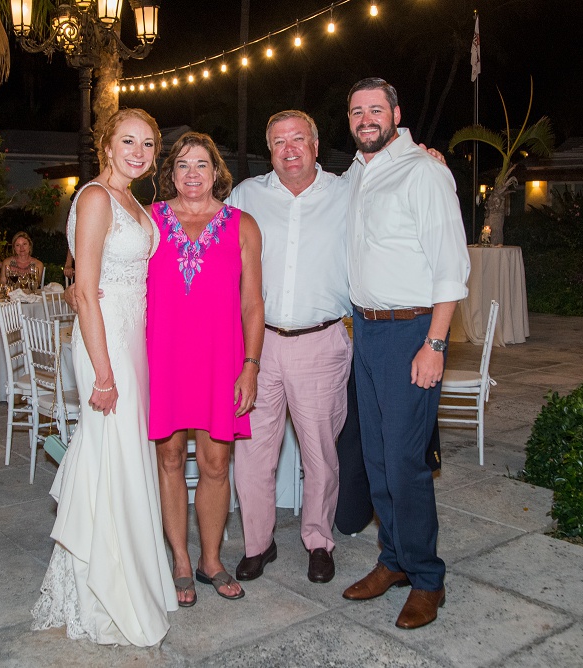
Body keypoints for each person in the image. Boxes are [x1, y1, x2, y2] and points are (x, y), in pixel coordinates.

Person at [31, 108, 177, 646]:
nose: (138, 152)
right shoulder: (94, 198)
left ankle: (129, 577)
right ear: (106, 145)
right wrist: (104, 375)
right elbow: (85, 290)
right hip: (105, 344)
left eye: (147, 144)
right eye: (128, 141)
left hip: (131, 338)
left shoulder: (132, 200)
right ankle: (105, 595)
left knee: (124, 458)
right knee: (111, 455)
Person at [341, 78, 470, 630]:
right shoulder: (357, 172)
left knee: (406, 464)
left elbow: (451, 265)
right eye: (356, 111)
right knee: (376, 461)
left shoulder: (424, 171)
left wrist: (435, 343)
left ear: (396, 112)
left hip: (412, 332)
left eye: (376, 109)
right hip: (365, 334)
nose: (366, 118)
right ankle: (392, 559)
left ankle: (426, 578)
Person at [226, 111, 351, 585]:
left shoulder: (345, 193)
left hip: (321, 342)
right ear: (269, 150)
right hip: (257, 347)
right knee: (253, 452)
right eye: (279, 141)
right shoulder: (247, 196)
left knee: (320, 452)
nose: (290, 148)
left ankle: (318, 541)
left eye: (299, 139)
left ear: (316, 145)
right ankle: (259, 543)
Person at [147, 132, 264, 606]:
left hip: (222, 360)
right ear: (169, 173)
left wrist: (251, 366)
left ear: (216, 171)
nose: (191, 174)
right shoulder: (149, 221)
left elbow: (253, 304)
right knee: (170, 459)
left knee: (216, 464)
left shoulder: (243, 225)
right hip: (163, 358)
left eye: (201, 164)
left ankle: (210, 559)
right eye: (182, 165)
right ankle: (179, 558)